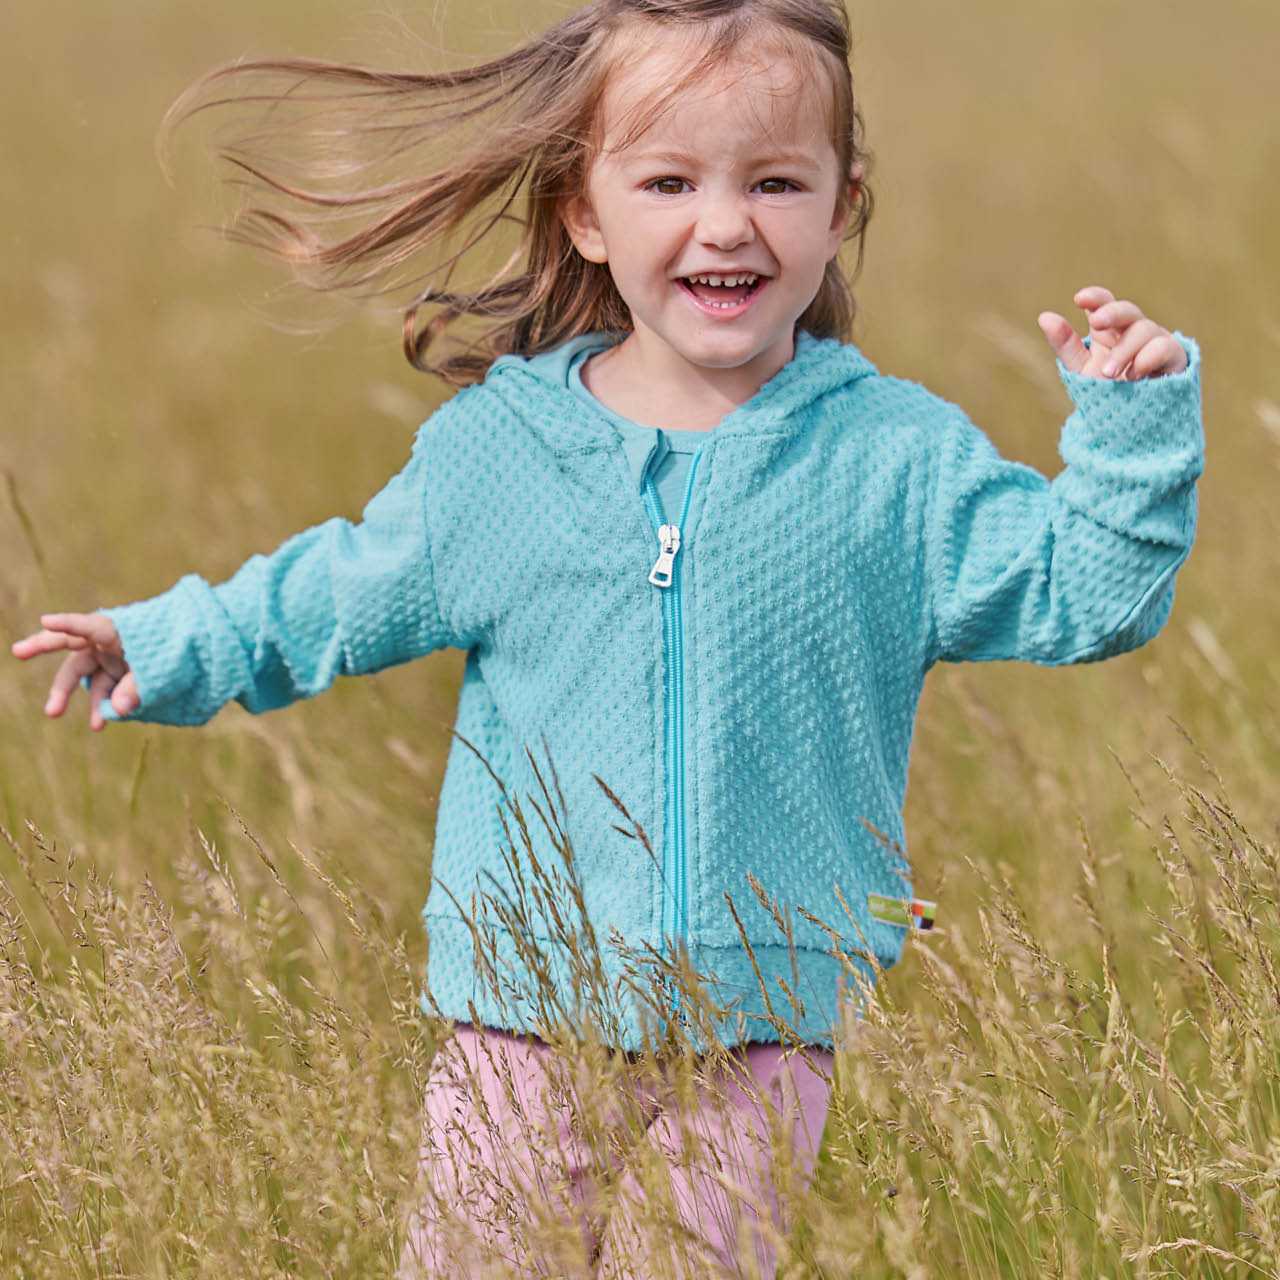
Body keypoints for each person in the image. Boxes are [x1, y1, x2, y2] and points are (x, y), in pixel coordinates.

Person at [10, 0, 1204, 1274]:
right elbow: (328, 593)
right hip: (521, 1024)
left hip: (756, 1040)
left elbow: (1087, 594)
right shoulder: (503, 454)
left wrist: (1130, 432)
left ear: (843, 204)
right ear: (585, 207)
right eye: (669, 179)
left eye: (776, 180)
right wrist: (170, 643)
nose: (726, 220)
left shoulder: (892, 462)